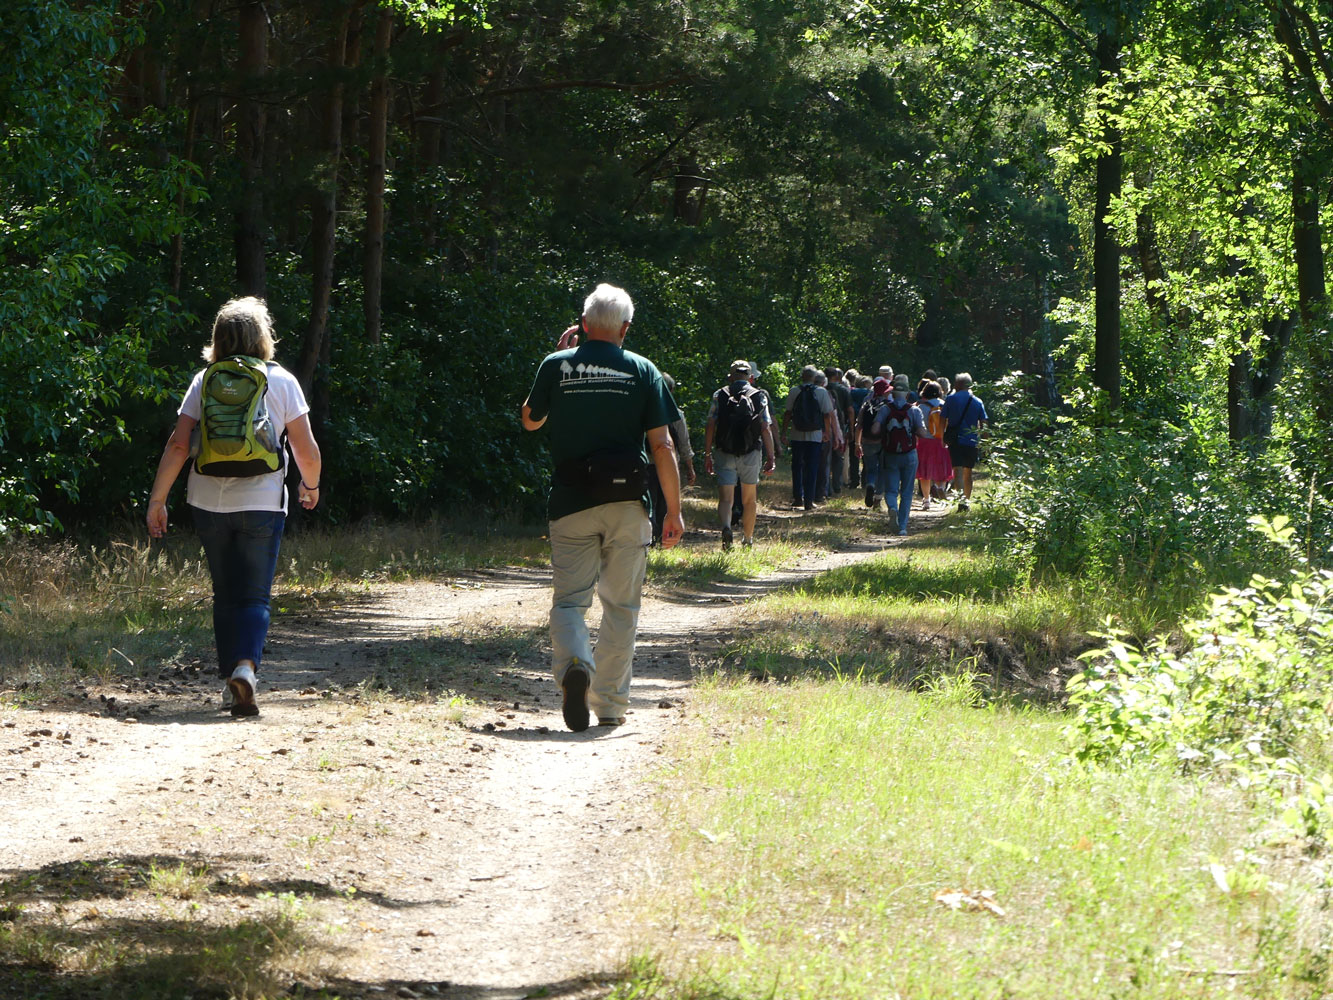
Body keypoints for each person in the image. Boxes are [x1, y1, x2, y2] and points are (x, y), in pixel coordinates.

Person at [146, 296, 322, 718]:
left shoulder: (203, 380)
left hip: (206, 500)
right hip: (263, 502)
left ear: (217, 340)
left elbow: (178, 445)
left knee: (224, 594)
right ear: (263, 338)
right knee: (254, 596)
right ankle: (244, 669)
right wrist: (310, 485)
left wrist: (157, 499)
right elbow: (306, 449)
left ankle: (232, 680)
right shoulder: (281, 381)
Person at [521, 283, 684, 732]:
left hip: (572, 501)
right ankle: (610, 704)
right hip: (629, 503)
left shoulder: (556, 365)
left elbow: (530, 421)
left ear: (584, 323)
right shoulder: (644, 370)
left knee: (570, 602)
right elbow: (662, 443)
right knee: (621, 606)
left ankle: (576, 665)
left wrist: (558, 360)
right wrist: (673, 510)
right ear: (625, 329)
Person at [705, 360, 775, 549]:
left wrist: (706, 453)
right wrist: (771, 456)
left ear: (730, 377)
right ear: (750, 378)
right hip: (750, 452)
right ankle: (748, 539)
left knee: (726, 498)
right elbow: (765, 427)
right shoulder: (759, 396)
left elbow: (711, 424)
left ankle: (727, 527)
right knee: (749, 500)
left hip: (724, 451)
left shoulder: (719, 394)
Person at [647, 373, 695, 545]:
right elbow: (683, 443)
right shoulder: (676, 414)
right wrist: (689, 467)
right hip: (668, 464)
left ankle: (649, 539)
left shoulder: (643, 410)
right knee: (665, 503)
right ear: (671, 391)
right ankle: (662, 539)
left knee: (648, 503)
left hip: (645, 465)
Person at [879, 374, 928, 535]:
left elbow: (873, 429)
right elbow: (921, 433)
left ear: (892, 394)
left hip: (890, 453)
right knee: (907, 492)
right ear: (907, 395)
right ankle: (902, 527)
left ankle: (892, 508)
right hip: (909, 454)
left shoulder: (885, 409)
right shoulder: (914, 410)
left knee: (891, 490)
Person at [780, 365, 835, 511]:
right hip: (815, 435)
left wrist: (784, 432)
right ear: (814, 378)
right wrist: (827, 432)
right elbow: (827, 414)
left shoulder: (794, 391)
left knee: (797, 466)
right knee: (812, 467)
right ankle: (809, 501)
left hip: (797, 434)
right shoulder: (821, 392)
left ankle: (798, 497)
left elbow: (788, 413)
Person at [942, 371, 988, 511]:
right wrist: (986, 442)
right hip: (972, 440)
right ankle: (966, 501)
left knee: (958, 469)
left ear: (957, 384)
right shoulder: (977, 401)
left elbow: (942, 419)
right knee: (968, 471)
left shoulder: (951, 399)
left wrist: (942, 437)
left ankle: (961, 501)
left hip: (955, 440)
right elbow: (984, 422)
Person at [854, 376, 892, 509]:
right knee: (882, 470)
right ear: (885, 392)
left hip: (867, 441)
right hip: (883, 443)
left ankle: (870, 484)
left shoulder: (866, 404)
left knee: (871, 469)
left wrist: (857, 444)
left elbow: (859, 426)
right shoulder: (888, 406)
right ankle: (877, 499)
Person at [914, 381, 953, 508]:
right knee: (940, 469)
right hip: (940, 441)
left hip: (924, 442)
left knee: (924, 473)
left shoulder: (921, 406)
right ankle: (939, 487)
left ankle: (926, 500)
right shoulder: (944, 405)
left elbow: (917, 426)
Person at [824, 367, 854, 495]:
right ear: (837, 377)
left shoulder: (821, 389)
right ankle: (837, 484)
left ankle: (826, 486)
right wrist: (851, 429)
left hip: (823, 427)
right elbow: (850, 410)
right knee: (838, 457)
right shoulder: (843, 390)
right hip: (840, 427)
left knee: (825, 458)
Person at [847, 375, 871, 490]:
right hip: (867, 427)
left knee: (853, 455)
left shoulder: (851, 393)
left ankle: (854, 480)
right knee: (866, 455)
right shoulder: (870, 394)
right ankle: (865, 481)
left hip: (853, 425)